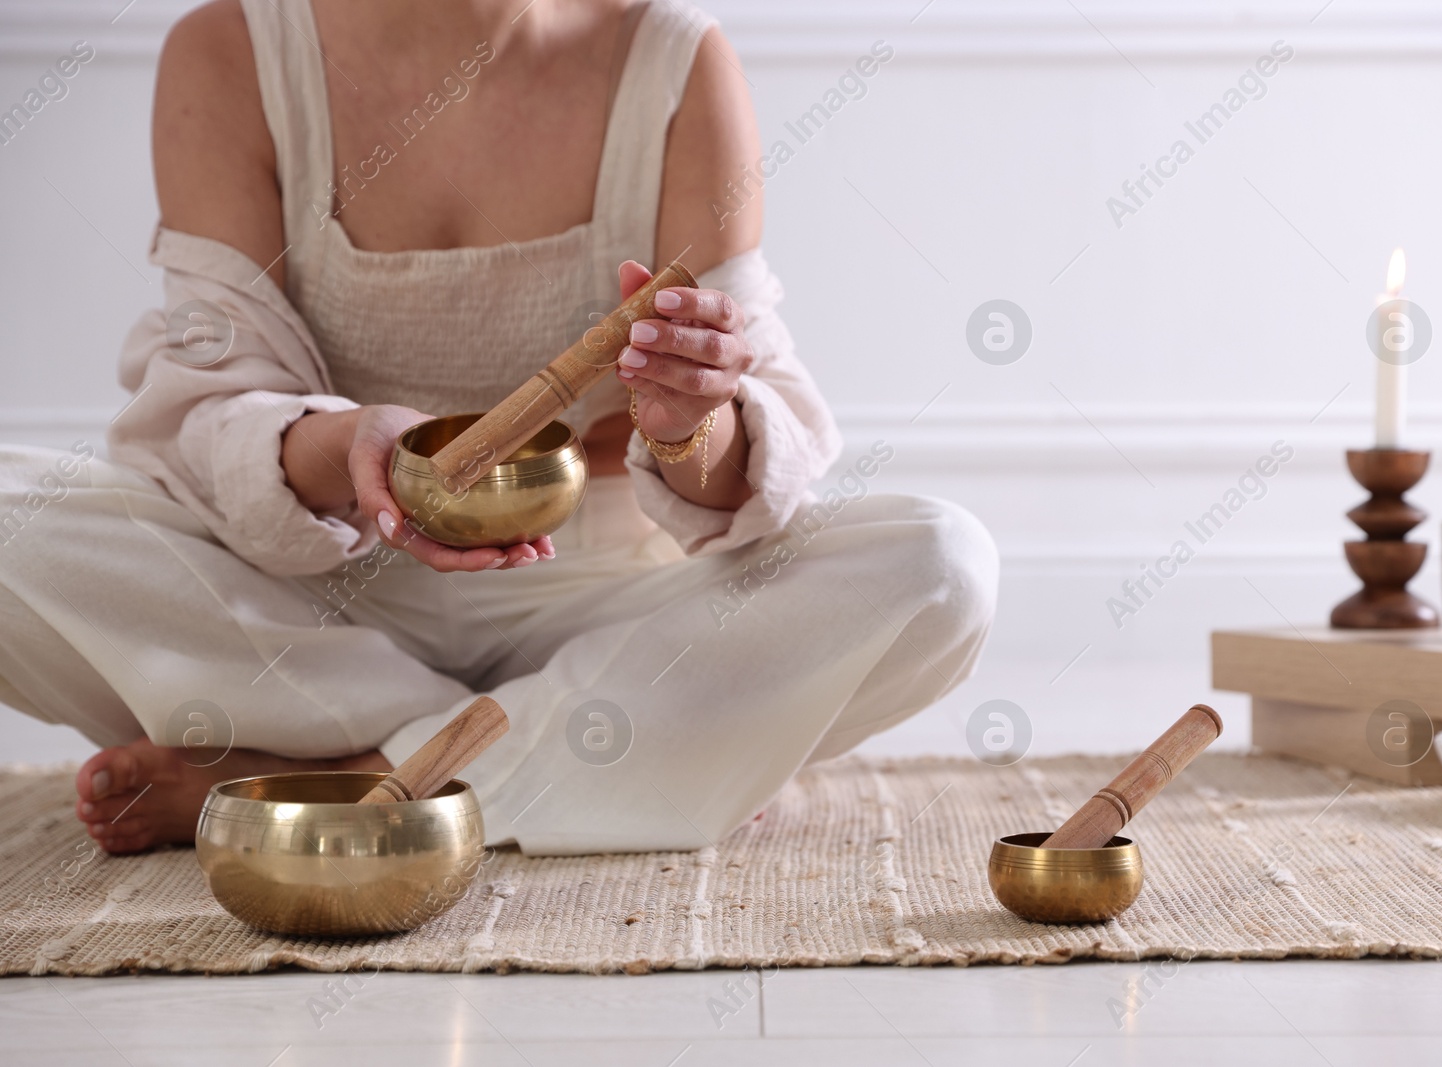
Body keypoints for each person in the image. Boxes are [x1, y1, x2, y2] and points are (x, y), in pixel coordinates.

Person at [0, 0, 997, 856]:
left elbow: (745, 480)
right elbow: (214, 407)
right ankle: (615, 759)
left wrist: (691, 420)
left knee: (941, 563)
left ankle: (353, 773)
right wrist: (355, 448)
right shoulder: (231, 47)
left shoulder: (675, 63)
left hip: (601, 614)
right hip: (310, 611)